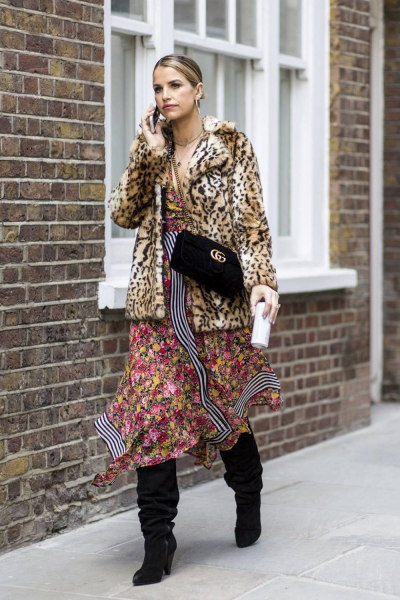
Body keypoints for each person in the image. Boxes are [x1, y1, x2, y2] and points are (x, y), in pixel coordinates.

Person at [92, 54, 284, 586]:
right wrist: (149, 157)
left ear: (198, 90)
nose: (165, 96)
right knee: (152, 416)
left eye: (175, 85)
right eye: (158, 88)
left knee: (223, 410)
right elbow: (123, 213)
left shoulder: (230, 146)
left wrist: (262, 280)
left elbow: (251, 226)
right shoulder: (150, 147)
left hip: (213, 304)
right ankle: (158, 540)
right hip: (157, 305)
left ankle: (248, 491)